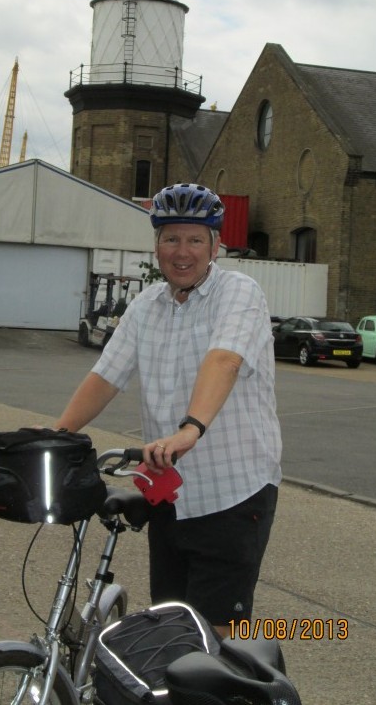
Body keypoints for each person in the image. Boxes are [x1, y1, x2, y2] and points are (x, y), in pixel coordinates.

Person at [54, 182, 282, 636]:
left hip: (232, 492)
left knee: (212, 644)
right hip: (171, 497)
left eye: (195, 239)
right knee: (171, 631)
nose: (183, 251)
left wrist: (190, 429)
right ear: (156, 244)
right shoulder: (145, 306)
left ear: (216, 245)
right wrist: (57, 432)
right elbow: (106, 376)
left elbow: (225, 359)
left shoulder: (239, 293)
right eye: (171, 238)